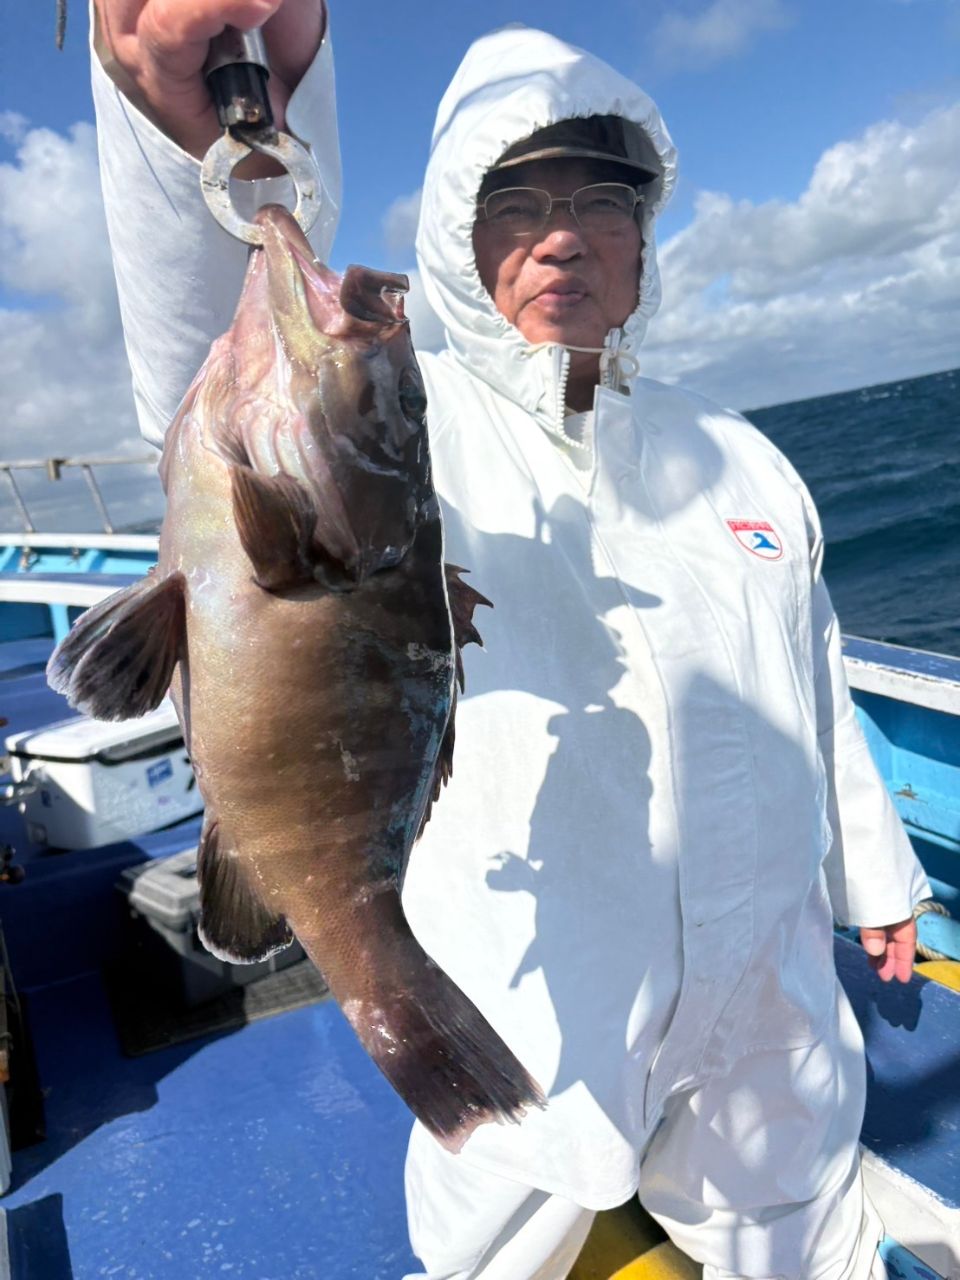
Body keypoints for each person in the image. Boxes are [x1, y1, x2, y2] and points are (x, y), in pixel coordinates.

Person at [89, 3, 931, 1277]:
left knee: (796, 1217)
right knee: (503, 1223)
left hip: (771, 1003)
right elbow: (220, 352)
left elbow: (811, 677)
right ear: (457, 239)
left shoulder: (743, 454)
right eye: (514, 201)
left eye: (602, 199)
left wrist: (874, 872)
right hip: (528, 995)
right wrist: (171, 118)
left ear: (644, 240)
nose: (561, 233)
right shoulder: (415, 416)